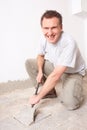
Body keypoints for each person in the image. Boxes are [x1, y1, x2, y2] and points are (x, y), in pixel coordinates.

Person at [25, 10, 86, 110]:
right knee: (30, 63)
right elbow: (40, 55)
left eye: (53, 27)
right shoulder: (44, 38)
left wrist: (38, 97)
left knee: (70, 104)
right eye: (46, 28)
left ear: (61, 27)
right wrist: (40, 71)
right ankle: (50, 92)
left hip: (73, 73)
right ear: (42, 28)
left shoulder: (69, 42)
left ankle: (76, 90)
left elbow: (55, 75)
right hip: (57, 67)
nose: (49, 33)